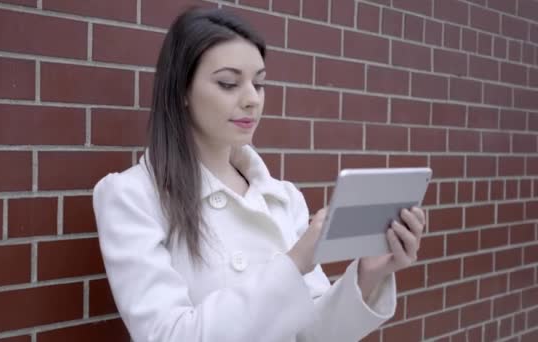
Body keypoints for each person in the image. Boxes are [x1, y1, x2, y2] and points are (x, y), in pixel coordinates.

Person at [92, 7, 426, 342]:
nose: (252, 99)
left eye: (259, 83)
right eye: (228, 83)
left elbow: (314, 335)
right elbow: (168, 336)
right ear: (181, 90)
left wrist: (368, 275)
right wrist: (294, 263)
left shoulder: (283, 198)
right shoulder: (133, 196)